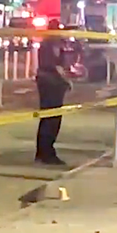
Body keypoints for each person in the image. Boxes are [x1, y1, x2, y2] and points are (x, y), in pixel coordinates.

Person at [35, 19, 72, 165]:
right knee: (50, 118)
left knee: (49, 118)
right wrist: (67, 80)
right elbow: (54, 66)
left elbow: (61, 64)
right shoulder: (48, 45)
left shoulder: (54, 45)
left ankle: (43, 151)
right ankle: (46, 152)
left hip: (53, 83)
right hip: (49, 83)